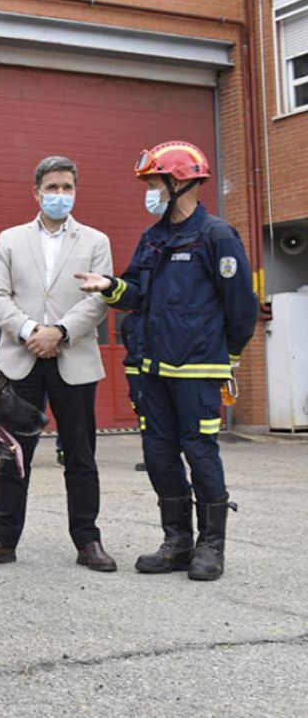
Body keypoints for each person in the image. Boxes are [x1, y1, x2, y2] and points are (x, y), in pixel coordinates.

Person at [77, 140, 257, 581]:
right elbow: (137, 293)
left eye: (154, 181)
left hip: (197, 371)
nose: (150, 190)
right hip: (151, 370)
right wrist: (109, 285)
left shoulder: (216, 236)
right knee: (159, 455)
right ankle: (176, 540)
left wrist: (226, 357)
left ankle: (211, 546)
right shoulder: (153, 237)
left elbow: (242, 306)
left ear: (178, 182)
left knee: (200, 452)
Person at [0, 155, 117, 572]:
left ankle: (88, 540)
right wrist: (32, 330)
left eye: (67, 187)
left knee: (81, 454)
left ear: (75, 191)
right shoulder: (11, 239)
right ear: (37, 192)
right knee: (13, 453)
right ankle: (3, 538)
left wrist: (61, 333)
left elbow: (100, 298)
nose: (59, 195)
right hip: (21, 358)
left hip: (74, 358)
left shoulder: (94, 241)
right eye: (52, 188)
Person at [121, 310, 148, 472]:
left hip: (150, 371)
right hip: (134, 371)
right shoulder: (128, 321)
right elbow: (127, 341)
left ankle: (158, 456)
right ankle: (150, 456)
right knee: (142, 413)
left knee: (157, 415)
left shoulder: (157, 317)